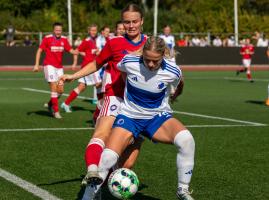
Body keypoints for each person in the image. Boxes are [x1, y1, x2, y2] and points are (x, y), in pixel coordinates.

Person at [85, 36, 195, 200]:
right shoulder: (129, 62)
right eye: (147, 59)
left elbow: (180, 83)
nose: (151, 64)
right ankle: (88, 197)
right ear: (142, 54)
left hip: (156, 117)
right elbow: (122, 72)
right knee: (108, 158)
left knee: (187, 140)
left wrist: (174, 96)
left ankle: (182, 190)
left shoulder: (173, 70)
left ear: (163, 56)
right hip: (129, 116)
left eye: (155, 61)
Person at [59, 3, 147, 199]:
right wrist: (74, 76)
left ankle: (100, 179)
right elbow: (96, 63)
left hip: (139, 104)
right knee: (102, 132)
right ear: (122, 23)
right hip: (115, 96)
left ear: (141, 21)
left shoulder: (151, 44)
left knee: (127, 165)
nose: (130, 25)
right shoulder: (114, 43)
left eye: (134, 21)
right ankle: (92, 174)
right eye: (126, 22)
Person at [33, 22, 78, 119]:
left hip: (59, 68)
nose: (58, 32)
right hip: (49, 66)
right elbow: (39, 50)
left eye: (60, 30)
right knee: (53, 87)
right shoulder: (47, 38)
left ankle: (50, 104)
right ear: (53, 30)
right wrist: (36, 64)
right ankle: (56, 111)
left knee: (60, 91)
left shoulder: (64, 39)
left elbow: (71, 50)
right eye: (57, 30)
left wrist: (78, 52)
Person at [61, 24, 101, 113]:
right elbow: (77, 51)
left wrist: (95, 53)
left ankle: (66, 103)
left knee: (81, 87)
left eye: (95, 30)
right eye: (92, 30)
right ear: (89, 31)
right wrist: (74, 63)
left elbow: (87, 52)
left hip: (87, 66)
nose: (94, 32)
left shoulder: (94, 40)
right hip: (89, 67)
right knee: (99, 84)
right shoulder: (87, 41)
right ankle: (101, 108)